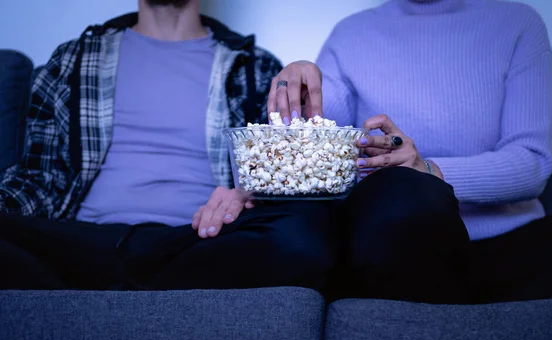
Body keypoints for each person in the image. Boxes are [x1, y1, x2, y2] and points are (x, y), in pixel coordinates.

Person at [270, 0, 552, 304]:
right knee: (398, 191)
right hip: (400, 245)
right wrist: (296, 88)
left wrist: (427, 170)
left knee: (407, 186)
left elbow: (532, 163)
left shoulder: (518, 23)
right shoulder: (351, 34)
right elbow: (310, 136)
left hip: (511, 251)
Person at [0, 0, 340, 291]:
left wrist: (256, 184)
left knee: (301, 238)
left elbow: (276, 180)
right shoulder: (73, 59)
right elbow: (37, 179)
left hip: (196, 241)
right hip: (83, 241)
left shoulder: (255, 67)